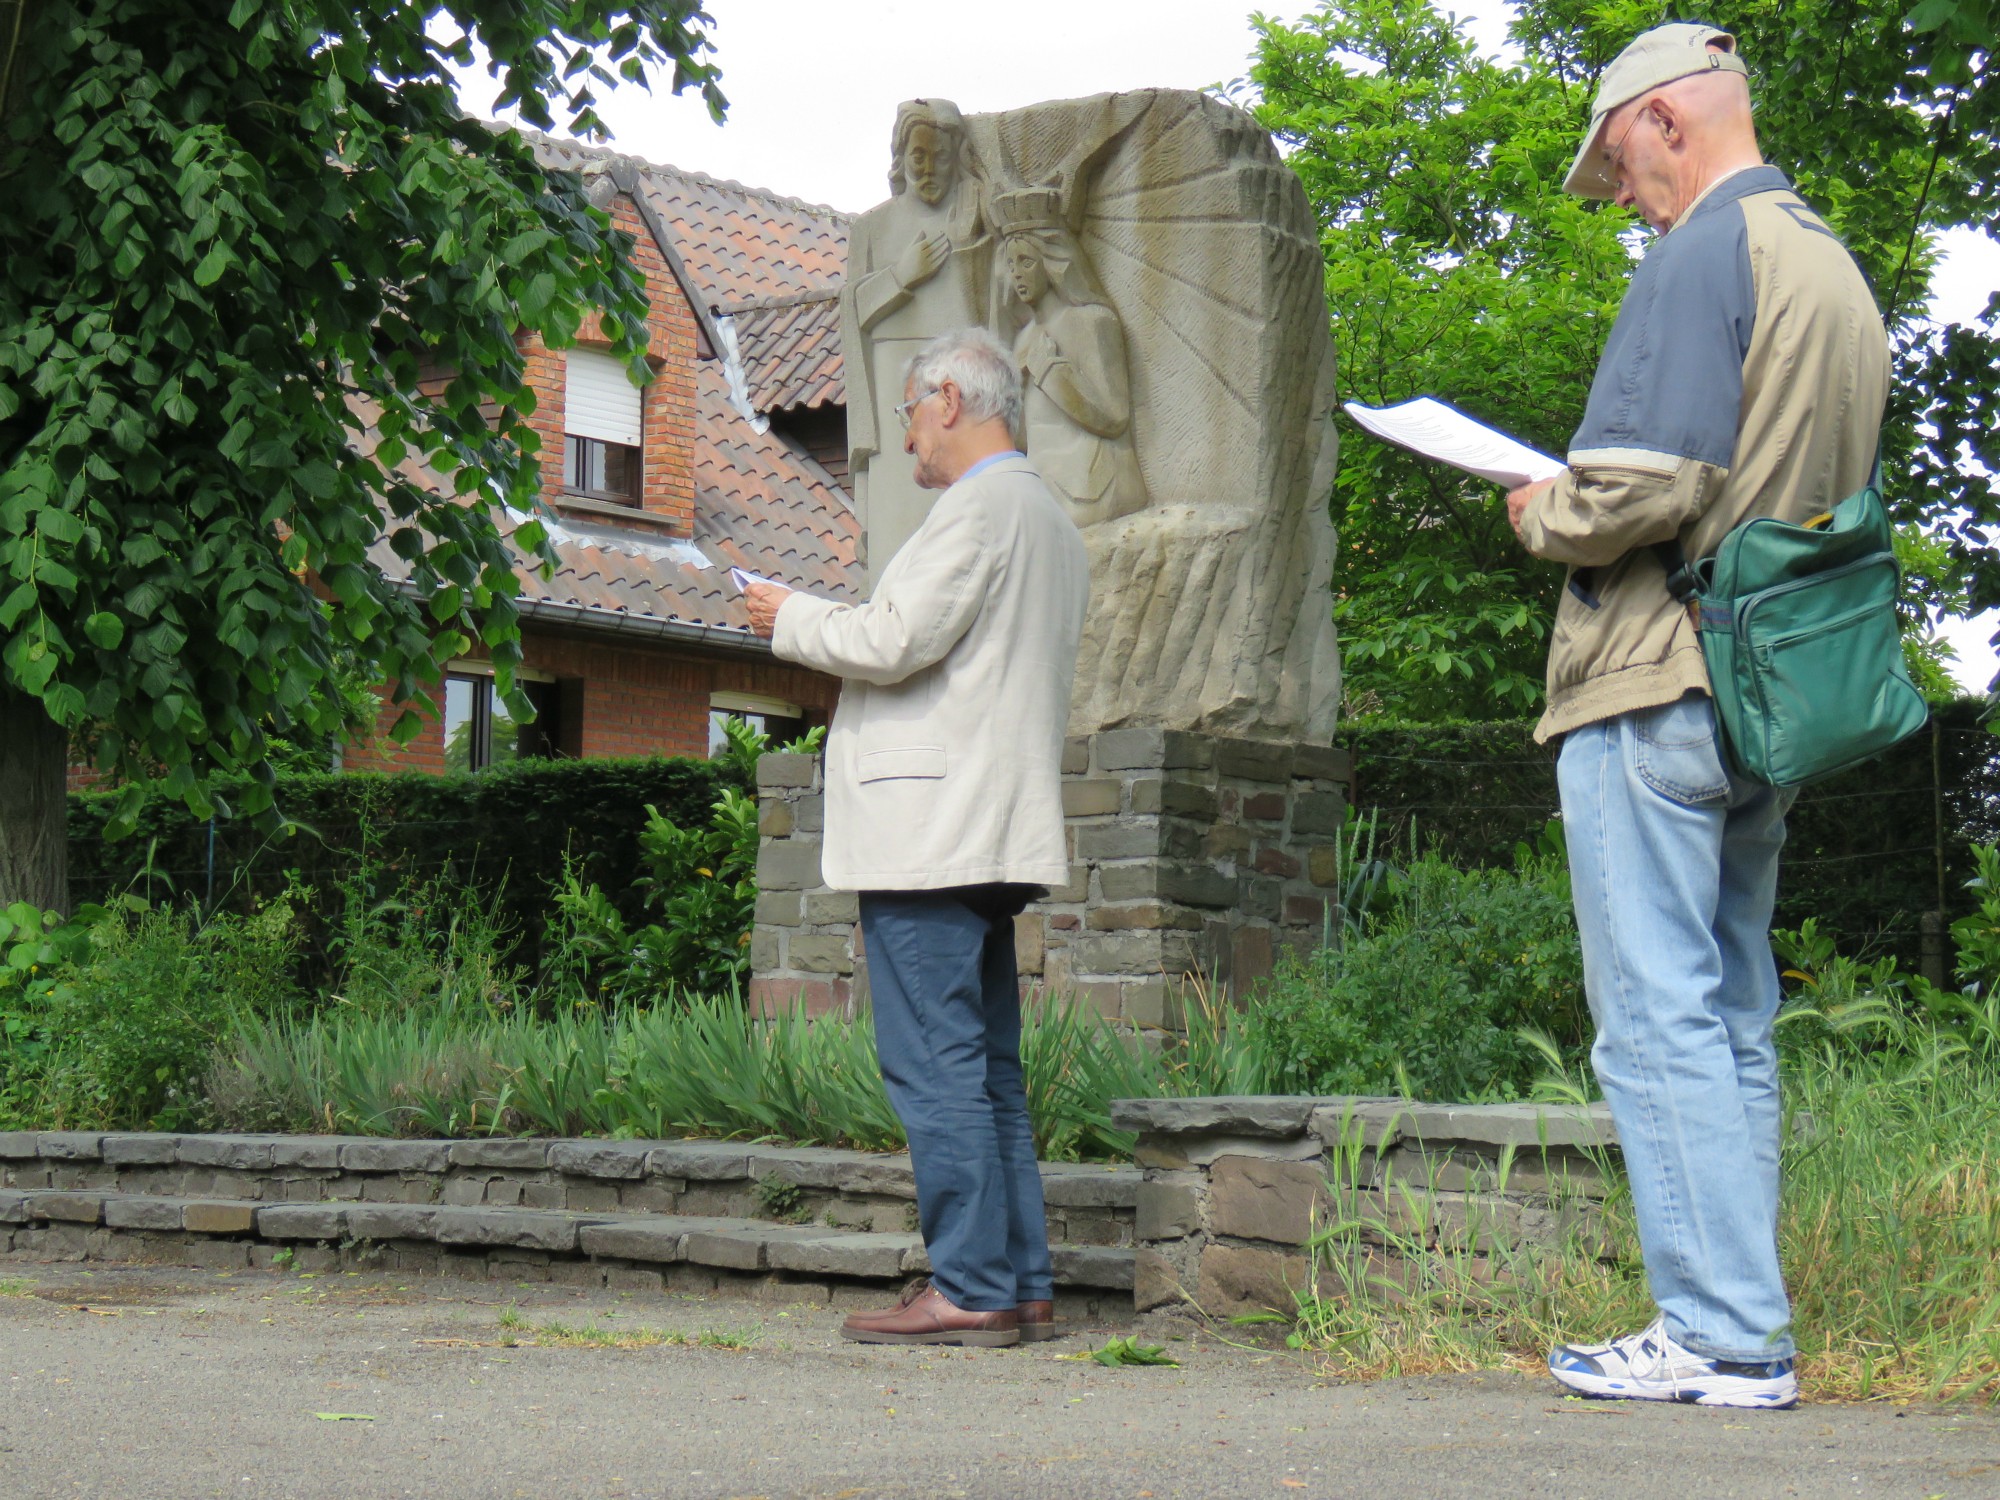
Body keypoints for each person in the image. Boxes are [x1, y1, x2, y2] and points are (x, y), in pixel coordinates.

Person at [1504, 22, 1888, 1409]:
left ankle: (1721, 1333)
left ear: (1665, 121)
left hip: (1656, 675)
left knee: (1653, 1015)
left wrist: (1541, 506)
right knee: (1726, 1012)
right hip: (1766, 689)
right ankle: (1744, 1330)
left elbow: (1642, 488)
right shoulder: (1827, 264)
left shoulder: (1701, 253)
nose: (1631, 202)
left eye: (1623, 168)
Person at [744, 326, 1090, 1347]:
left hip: (930, 832)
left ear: (947, 397)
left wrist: (783, 615)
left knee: (933, 1065)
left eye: (905, 414)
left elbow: (891, 642)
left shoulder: (976, 510)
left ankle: (972, 1286)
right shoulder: (1045, 517)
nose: (904, 442)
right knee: (984, 1068)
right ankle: (1016, 1282)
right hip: (987, 829)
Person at [840, 100, 991, 585]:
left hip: (964, 394)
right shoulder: (872, 228)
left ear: (957, 157)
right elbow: (852, 313)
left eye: (940, 157)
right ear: (900, 159)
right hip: (893, 394)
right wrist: (903, 275)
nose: (927, 169)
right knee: (897, 541)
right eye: (917, 157)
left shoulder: (978, 218)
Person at [992, 189, 1148, 525]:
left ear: (1052, 263)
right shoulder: (1023, 339)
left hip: (1089, 484)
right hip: (1041, 483)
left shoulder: (1092, 321)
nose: (1016, 273)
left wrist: (1050, 372)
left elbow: (1115, 415)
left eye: (1026, 261)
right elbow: (1021, 438)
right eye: (1011, 263)